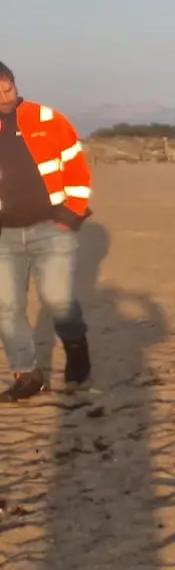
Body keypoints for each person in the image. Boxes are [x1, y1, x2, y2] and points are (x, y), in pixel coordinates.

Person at [0, 61, 92, 402]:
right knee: (7, 307)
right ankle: (27, 375)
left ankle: (77, 348)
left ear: (14, 83)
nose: (5, 97)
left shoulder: (47, 119)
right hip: (3, 237)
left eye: (8, 88)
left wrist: (70, 216)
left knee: (57, 299)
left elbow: (76, 169)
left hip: (51, 228)